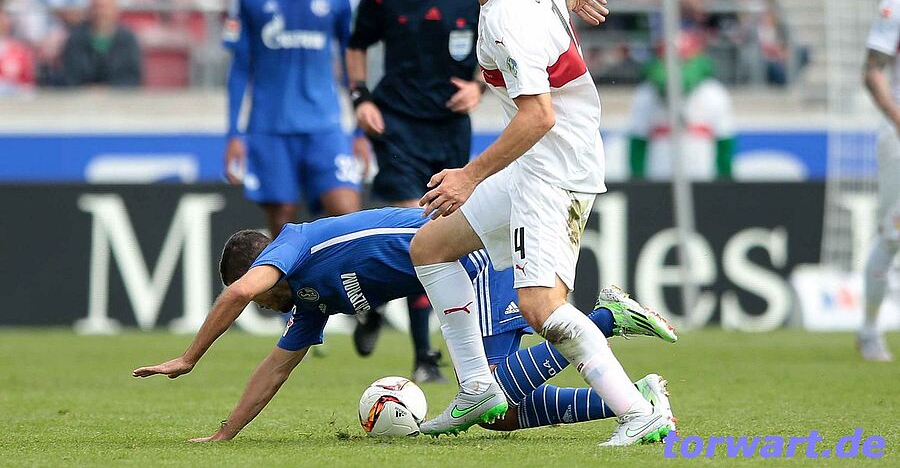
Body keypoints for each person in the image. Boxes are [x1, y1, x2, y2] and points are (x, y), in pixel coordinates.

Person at [406, 0, 669, 445]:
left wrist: (468, 176)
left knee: (540, 307)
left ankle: (639, 411)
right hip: (534, 164)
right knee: (430, 246)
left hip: (553, 170)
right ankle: (478, 389)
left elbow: (539, 116)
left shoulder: (509, 21)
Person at [131, 206, 677, 441]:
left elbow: (239, 291)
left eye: (258, 296)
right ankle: (635, 402)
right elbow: (274, 369)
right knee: (501, 416)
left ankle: (606, 317)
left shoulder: (294, 242)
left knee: (487, 392)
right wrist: (225, 434)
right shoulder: (309, 302)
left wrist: (189, 357)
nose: (258, 306)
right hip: (460, 272)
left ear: (261, 266)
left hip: (476, 259)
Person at [346, 0, 483, 383]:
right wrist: (360, 98)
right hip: (398, 126)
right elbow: (356, 45)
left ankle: (372, 301)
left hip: (450, 131)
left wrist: (479, 86)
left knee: (436, 238)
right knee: (418, 232)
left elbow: (496, 49)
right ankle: (425, 356)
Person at [223, 0, 362, 239]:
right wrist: (233, 133)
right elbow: (240, 67)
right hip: (270, 127)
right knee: (282, 222)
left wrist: (359, 128)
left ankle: (343, 275)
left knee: (347, 211)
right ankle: (293, 276)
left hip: (324, 125)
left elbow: (352, 62)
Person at [627, 31, 735, 181]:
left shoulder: (713, 92)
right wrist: (637, 179)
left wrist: (725, 178)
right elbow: (638, 140)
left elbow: (724, 141)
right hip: (659, 172)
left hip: (702, 171)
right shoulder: (646, 93)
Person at [857, 0, 900, 362]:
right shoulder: (896, 3)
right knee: (893, 235)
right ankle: (869, 330)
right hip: (897, 134)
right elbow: (872, 71)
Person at [61, 0, 142, 87]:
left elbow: (133, 78)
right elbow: (70, 78)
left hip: (118, 96)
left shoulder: (128, 40)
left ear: (115, 10)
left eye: (105, 7)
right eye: (97, 7)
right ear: (90, 10)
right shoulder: (75, 40)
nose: (101, 12)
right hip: (82, 95)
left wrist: (108, 89)